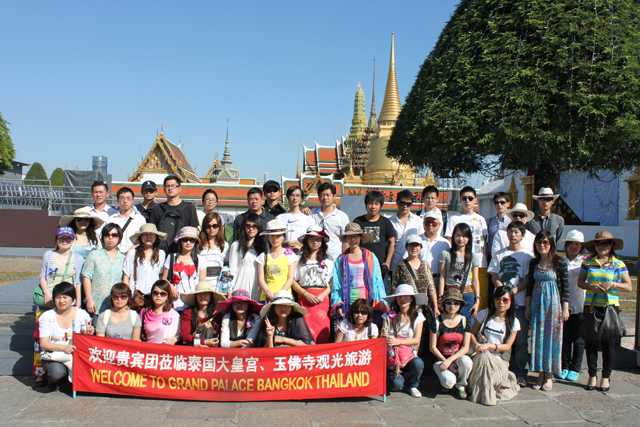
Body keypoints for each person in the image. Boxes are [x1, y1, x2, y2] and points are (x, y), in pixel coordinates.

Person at [578, 231, 632, 392]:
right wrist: (590, 286)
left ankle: (606, 377)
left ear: (611, 245)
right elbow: (580, 282)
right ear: (594, 245)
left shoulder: (618, 264)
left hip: (610, 307)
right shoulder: (588, 262)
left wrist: (613, 284)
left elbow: (629, 286)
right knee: (591, 342)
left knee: (609, 344)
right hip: (591, 306)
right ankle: (592, 375)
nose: (602, 247)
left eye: (605, 243)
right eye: (598, 243)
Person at [34, 226, 85, 385]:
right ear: (56, 240)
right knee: (40, 337)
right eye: (61, 238)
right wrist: (47, 293)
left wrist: (77, 302)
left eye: (68, 238)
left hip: (68, 300)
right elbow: (43, 276)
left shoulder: (78, 258)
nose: (64, 241)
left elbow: (78, 282)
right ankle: (39, 371)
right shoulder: (48, 255)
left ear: (73, 240)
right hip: (49, 299)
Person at [487, 221, 532, 387]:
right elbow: (494, 276)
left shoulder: (527, 255)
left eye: (517, 232)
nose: (513, 235)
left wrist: (513, 292)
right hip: (500, 304)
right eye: (510, 231)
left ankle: (520, 373)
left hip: (519, 303)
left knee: (520, 341)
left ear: (523, 235)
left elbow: (528, 278)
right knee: (498, 336)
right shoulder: (499, 254)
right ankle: (497, 370)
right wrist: (503, 292)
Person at [525, 231, 570, 391]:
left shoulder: (559, 262)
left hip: (553, 307)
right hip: (537, 307)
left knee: (552, 340)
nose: (542, 245)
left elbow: (565, 286)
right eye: (539, 242)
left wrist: (565, 308)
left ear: (551, 244)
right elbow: (530, 285)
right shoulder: (534, 262)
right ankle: (540, 373)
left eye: (545, 242)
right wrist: (528, 306)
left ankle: (549, 374)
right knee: (538, 339)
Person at [467, 287, 521, 406]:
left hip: (498, 361)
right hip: (480, 356)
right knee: (484, 356)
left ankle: (480, 393)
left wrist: (489, 346)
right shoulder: (484, 314)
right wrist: (478, 345)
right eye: (498, 299)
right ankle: (485, 396)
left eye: (505, 300)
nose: (501, 302)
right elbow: (471, 334)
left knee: (486, 356)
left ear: (511, 302)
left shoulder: (514, 322)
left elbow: (507, 346)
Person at [38, 282, 94, 391]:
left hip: (76, 353)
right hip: (55, 353)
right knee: (56, 373)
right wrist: (63, 347)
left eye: (65, 297)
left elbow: (84, 337)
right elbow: (43, 343)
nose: (61, 301)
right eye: (58, 297)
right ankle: (55, 381)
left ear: (73, 299)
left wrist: (88, 333)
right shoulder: (47, 316)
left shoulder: (82, 315)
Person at [330, 223, 388, 323]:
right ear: (346, 239)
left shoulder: (371, 257)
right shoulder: (340, 259)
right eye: (349, 237)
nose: (353, 240)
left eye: (355, 236)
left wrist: (380, 301)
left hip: (367, 302)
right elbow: (336, 285)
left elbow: (378, 282)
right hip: (347, 303)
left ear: (361, 237)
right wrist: (338, 304)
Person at [445, 186, 490, 310]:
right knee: (463, 297)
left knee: (481, 296)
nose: (467, 201)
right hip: (462, 263)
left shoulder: (481, 219)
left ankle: (479, 321)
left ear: (476, 200)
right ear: (460, 200)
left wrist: (487, 262)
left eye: (470, 198)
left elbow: (484, 242)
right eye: (464, 198)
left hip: (480, 263)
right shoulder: (454, 219)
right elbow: (449, 241)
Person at [381, 284, 426, 398]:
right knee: (396, 385)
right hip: (392, 355)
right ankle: (395, 376)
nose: (402, 299)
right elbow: (383, 335)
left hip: (409, 355)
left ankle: (412, 385)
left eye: (406, 296)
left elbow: (416, 339)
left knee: (418, 363)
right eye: (400, 296)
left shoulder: (418, 316)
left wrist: (399, 342)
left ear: (411, 299)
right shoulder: (388, 315)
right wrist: (383, 334)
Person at [292, 226, 333, 344]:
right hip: (304, 298)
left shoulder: (329, 260)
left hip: (322, 299)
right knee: (304, 330)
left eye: (318, 239)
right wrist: (306, 294)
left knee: (323, 331)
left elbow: (332, 281)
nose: (315, 242)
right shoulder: (298, 259)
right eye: (312, 239)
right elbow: (292, 280)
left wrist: (323, 295)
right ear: (307, 240)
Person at [430, 288, 473, 399]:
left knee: (467, 361)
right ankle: (445, 381)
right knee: (448, 382)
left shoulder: (465, 321)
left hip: (457, 357)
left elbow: (466, 347)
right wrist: (446, 361)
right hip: (441, 359)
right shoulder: (437, 321)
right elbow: (432, 347)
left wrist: (450, 360)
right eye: (449, 303)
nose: (452, 306)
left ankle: (461, 385)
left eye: (456, 303)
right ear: (444, 304)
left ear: (460, 305)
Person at [557, 230, 587, 382]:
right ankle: (565, 365)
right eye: (571, 244)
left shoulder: (585, 262)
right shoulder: (560, 261)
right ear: (566, 245)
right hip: (564, 305)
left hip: (581, 304)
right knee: (565, 338)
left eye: (577, 244)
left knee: (579, 339)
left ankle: (576, 368)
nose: (574, 247)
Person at [82, 223, 126, 322]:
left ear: (119, 237)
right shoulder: (94, 255)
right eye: (107, 235)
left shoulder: (123, 258)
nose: (110, 237)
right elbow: (86, 277)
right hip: (96, 305)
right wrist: (89, 299)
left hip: (116, 305)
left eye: (114, 235)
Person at [439, 223, 480, 323]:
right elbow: (442, 277)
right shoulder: (445, 254)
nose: (460, 239)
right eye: (458, 235)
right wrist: (440, 296)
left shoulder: (473, 256)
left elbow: (475, 280)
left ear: (469, 238)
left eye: (464, 236)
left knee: (467, 325)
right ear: (453, 237)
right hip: (450, 295)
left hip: (467, 295)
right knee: (449, 323)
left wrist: (477, 300)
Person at [149, 175, 199, 253]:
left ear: (180, 188)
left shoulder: (189, 208)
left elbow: (194, 231)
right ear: (164, 189)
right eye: (167, 186)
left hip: (182, 252)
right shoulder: (158, 209)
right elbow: (151, 231)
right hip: (161, 252)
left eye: (173, 186)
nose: (170, 188)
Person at [391, 234, 438, 314]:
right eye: (411, 245)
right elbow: (394, 288)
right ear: (406, 247)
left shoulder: (425, 265)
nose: (414, 248)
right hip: (407, 309)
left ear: (420, 247)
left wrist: (435, 307)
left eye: (417, 245)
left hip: (423, 308)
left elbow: (431, 288)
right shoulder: (400, 265)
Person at [354, 190, 396, 280]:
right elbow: (352, 240)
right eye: (370, 203)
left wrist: (387, 262)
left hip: (380, 265)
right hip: (361, 262)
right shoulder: (358, 221)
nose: (373, 207)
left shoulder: (385, 222)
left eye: (376, 204)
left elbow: (392, 242)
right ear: (366, 205)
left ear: (381, 205)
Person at [162, 226, 205, 312]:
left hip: (193, 302)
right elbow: (163, 279)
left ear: (195, 242)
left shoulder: (200, 259)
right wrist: (170, 286)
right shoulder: (171, 257)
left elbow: (202, 284)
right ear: (180, 241)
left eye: (192, 240)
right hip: (175, 301)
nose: (188, 243)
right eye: (185, 240)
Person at [256, 219, 298, 302]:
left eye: (278, 236)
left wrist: (281, 294)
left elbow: (290, 279)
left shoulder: (290, 255)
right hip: (267, 297)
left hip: (285, 296)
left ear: (283, 237)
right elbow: (261, 280)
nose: (275, 239)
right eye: (272, 236)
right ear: (268, 237)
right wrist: (268, 292)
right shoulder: (263, 256)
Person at [228, 213, 266, 301]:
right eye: (248, 226)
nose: (251, 229)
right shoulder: (236, 245)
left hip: (256, 287)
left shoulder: (263, 247)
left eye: (254, 226)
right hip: (240, 285)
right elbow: (232, 270)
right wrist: (229, 290)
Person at [122, 223, 167, 298]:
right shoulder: (132, 253)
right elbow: (126, 277)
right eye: (145, 235)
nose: (148, 237)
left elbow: (161, 275)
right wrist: (126, 295)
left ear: (156, 237)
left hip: (154, 295)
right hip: (135, 295)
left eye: (151, 235)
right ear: (140, 237)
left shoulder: (161, 254)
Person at [309, 182, 350, 261]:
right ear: (318, 197)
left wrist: (344, 259)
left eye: (328, 195)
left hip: (335, 259)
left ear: (334, 196)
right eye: (322, 195)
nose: (325, 198)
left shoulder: (342, 216)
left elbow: (345, 240)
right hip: (315, 258)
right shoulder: (311, 214)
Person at [390, 190, 424, 279]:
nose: (405, 206)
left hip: (414, 265)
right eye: (402, 203)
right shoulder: (390, 222)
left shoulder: (418, 221)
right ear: (397, 203)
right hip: (395, 264)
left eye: (408, 204)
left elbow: (421, 243)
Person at [179, 281, 225, 346]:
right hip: (193, 348)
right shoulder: (188, 313)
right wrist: (204, 342)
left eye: (206, 293)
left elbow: (220, 335)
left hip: (212, 349)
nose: (202, 296)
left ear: (211, 296)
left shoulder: (218, 314)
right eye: (199, 294)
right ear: (196, 296)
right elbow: (185, 335)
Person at [105, 186, 147, 254]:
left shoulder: (140, 219)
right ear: (118, 201)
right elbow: (107, 237)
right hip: (115, 255)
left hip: (134, 254)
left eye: (128, 198)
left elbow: (142, 239)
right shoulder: (111, 219)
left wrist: (130, 252)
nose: (125, 201)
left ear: (132, 200)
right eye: (122, 198)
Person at [417, 212, 451, 292]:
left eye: (434, 223)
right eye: (427, 223)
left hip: (438, 279)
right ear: (423, 224)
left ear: (439, 225)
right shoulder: (416, 240)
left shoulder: (445, 243)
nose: (430, 225)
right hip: (420, 279)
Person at [198, 212, 230, 293]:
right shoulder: (198, 244)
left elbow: (227, 264)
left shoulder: (225, 245)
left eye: (215, 226)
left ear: (219, 227)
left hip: (219, 284)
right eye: (208, 226)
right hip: (202, 283)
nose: (211, 229)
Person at [141, 280, 181, 344]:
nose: (158, 295)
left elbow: (180, 334)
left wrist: (173, 340)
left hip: (166, 349)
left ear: (168, 296)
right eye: (155, 293)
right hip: (148, 349)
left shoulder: (175, 315)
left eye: (163, 294)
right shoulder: (144, 312)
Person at [276, 185, 313, 251]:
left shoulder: (308, 219)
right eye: (292, 195)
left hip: (303, 254)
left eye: (298, 195)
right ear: (288, 198)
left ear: (301, 199)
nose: (295, 198)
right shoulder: (280, 218)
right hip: (285, 254)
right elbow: (275, 240)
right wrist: (288, 243)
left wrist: (302, 247)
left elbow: (313, 239)